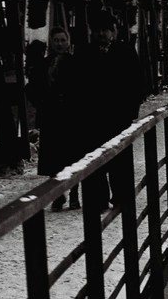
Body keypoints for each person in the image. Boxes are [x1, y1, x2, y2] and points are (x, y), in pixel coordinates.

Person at [78, 11, 145, 214]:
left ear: (113, 31)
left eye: (105, 30)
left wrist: (131, 110)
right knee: (94, 158)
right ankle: (98, 200)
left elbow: (137, 83)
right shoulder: (84, 53)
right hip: (93, 117)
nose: (101, 34)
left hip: (118, 116)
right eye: (97, 30)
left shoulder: (125, 52)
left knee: (120, 159)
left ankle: (121, 197)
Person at [29, 27, 82, 211]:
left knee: (72, 156)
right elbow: (32, 88)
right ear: (51, 43)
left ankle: (74, 194)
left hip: (70, 117)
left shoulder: (76, 64)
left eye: (62, 40)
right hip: (51, 117)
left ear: (68, 42)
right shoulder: (44, 64)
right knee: (54, 159)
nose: (59, 44)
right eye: (56, 40)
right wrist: (41, 103)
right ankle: (58, 195)